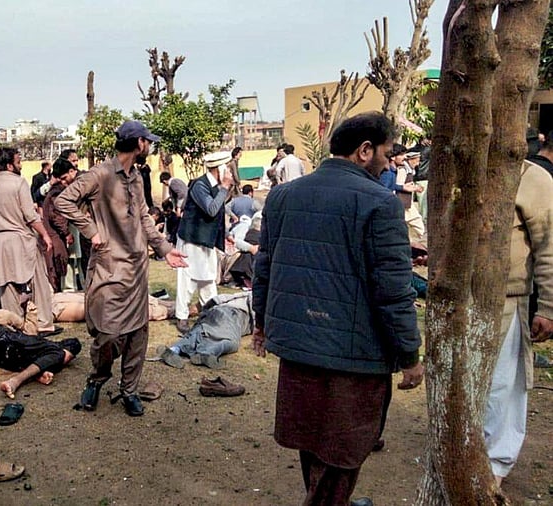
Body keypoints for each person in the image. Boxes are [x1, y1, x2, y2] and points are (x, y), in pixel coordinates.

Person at [252, 112, 423, 506]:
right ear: (365, 151)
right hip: (355, 357)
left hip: (298, 346)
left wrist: (262, 324)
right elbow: (395, 291)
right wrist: (410, 354)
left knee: (312, 441)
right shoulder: (382, 204)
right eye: (387, 151)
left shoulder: (282, 195)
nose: (390, 160)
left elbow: (265, 268)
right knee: (344, 451)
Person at [57, 120, 187, 417]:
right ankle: (96, 379)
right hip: (109, 269)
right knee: (108, 335)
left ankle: (129, 390)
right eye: (148, 141)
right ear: (139, 143)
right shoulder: (100, 174)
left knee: (138, 334)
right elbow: (65, 201)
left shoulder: (138, 177)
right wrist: (91, 231)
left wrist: (164, 249)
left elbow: (143, 218)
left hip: (137, 269)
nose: (150, 146)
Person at [483, 153, 553, 487]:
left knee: (502, 386)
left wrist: (548, 308)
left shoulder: (534, 178)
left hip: (508, 301)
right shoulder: (454, 170)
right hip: (458, 304)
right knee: (466, 383)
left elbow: (549, 250)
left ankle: (495, 464)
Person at [0, 147, 57, 335]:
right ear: (9, 165)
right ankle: (43, 323)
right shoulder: (19, 183)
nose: (21, 165)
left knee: (7, 286)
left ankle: (14, 325)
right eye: (19, 161)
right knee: (39, 280)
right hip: (21, 238)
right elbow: (30, 215)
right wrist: (45, 235)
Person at [174, 151, 234, 333]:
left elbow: (219, 215)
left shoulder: (215, 185)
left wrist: (226, 234)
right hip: (192, 239)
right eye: (228, 168)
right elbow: (212, 209)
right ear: (220, 168)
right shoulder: (200, 185)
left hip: (206, 240)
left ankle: (211, 313)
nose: (230, 172)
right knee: (188, 279)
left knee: (208, 278)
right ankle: (182, 317)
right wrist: (224, 188)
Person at [0, 324, 81, 399]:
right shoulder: (57, 352)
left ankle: (33, 375)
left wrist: (39, 374)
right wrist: (15, 381)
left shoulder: (43, 345)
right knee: (57, 357)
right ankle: (16, 381)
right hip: (1, 341)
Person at [158, 292, 253, 370]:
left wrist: (205, 310)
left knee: (200, 332)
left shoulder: (243, 295)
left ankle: (175, 349)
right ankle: (206, 353)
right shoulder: (256, 297)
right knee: (231, 342)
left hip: (214, 311)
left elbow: (218, 299)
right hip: (232, 314)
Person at [42, 158, 79, 292]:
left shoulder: (56, 190)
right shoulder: (57, 193)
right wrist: (66, 232)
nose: (64, 182)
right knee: (59, 266)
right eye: (62, 179)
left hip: (55, 235)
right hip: (55, 236)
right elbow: (56, 216)